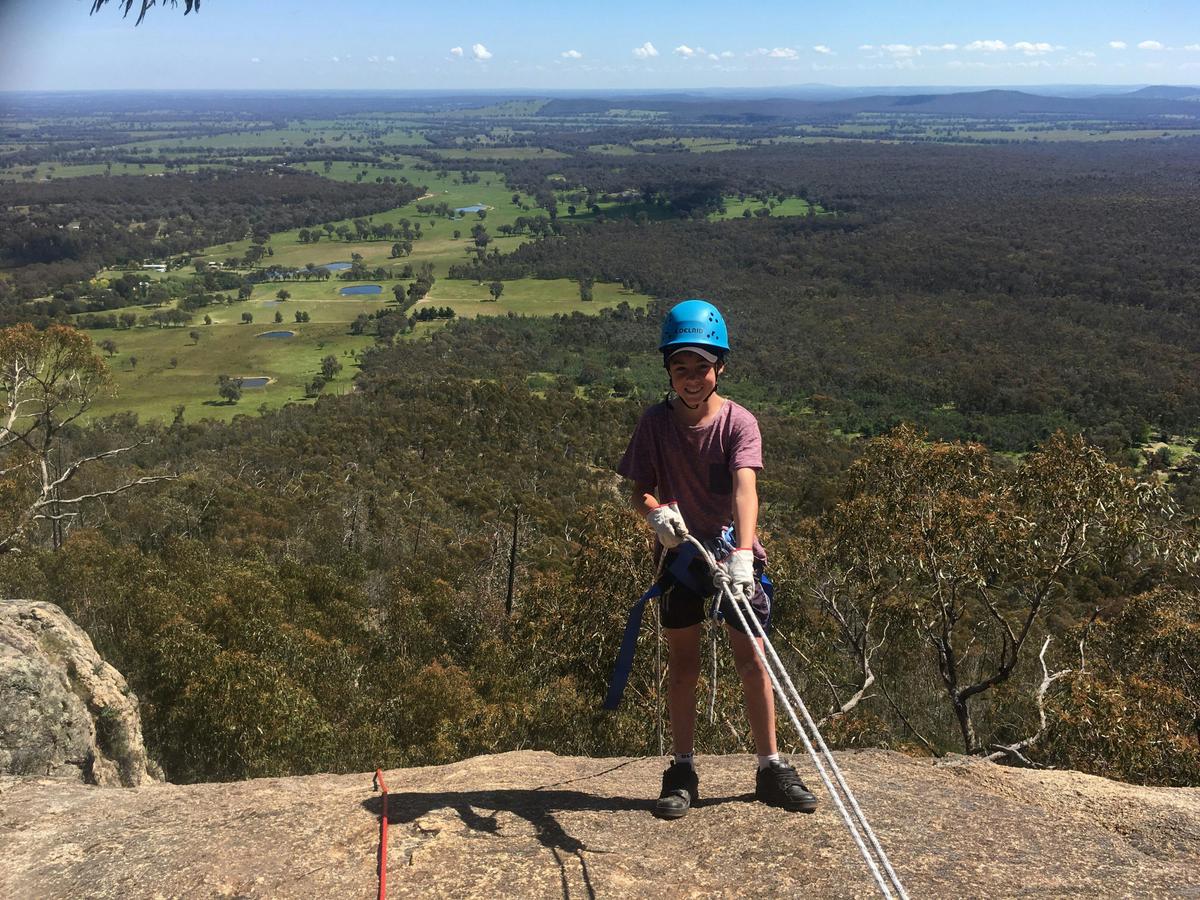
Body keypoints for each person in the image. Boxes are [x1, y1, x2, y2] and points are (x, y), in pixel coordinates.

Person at [617, 298, 818, 819]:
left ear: (719, 367)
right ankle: (682, 769)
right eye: (680, 368)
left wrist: (746, 555)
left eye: (701, 367)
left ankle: (770, 766)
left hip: (732, 552)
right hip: (682, 556)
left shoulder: (739, 423)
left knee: (752, 660)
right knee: (683, 664)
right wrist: (655, 516)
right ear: (668, 370)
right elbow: (639, 489)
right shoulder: (654, 424)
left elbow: (746, 489)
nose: (691, 378)